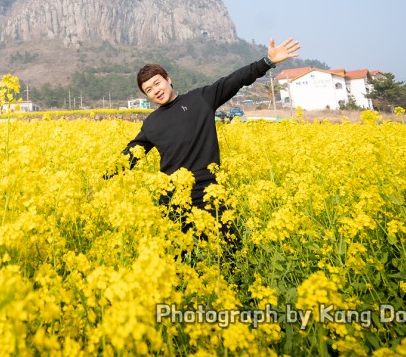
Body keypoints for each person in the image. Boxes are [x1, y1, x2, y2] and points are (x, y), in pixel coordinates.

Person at [116, 37, 301, 236]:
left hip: (208, 191)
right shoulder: (151, 123)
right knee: (180, 260)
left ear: (168, 79)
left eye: (157, 83)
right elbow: (131, 154)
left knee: (228, 253)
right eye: (149, 90)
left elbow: (234, 80)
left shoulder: (201, 99)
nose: (156, 91)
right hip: (172, 198)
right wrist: (103, 179)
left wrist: (267, 61)